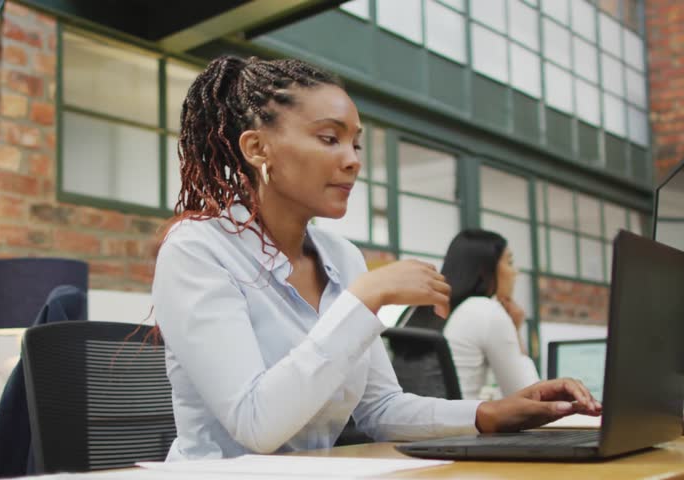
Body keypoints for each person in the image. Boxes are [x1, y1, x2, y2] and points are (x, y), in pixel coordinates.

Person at [151, 55, 600, 461]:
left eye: (356, 145)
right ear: (256, 149)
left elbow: (380, 409)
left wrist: (490, 413)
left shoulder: (341, 257)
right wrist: (363, 299)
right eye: (329, 138)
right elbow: (255, 424)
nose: (352, 161)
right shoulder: (197, 251)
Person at [408, 230, 540, 399]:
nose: (515, 272)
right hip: (456, 423)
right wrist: (515, 331)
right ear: (487, 269)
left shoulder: (422, 308)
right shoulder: (485, 309)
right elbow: (529, 398)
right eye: (509, 262)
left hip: (415, 421)